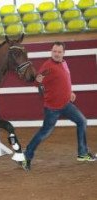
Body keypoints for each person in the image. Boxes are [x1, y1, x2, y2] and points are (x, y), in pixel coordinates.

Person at [20, 41, 96, 171]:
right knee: (44, 133)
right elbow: (37, 83)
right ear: (51, 51)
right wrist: (38, 82)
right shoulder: (47, 67)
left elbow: (66, 79)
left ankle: (82, 153)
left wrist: (70, 92)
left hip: (66, 104)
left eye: (59, 52)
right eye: (54, 51)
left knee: (82, 121)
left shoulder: (64, 63)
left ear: (63, 53)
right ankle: (26, 157)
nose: (56, 54)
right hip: (52, 107)